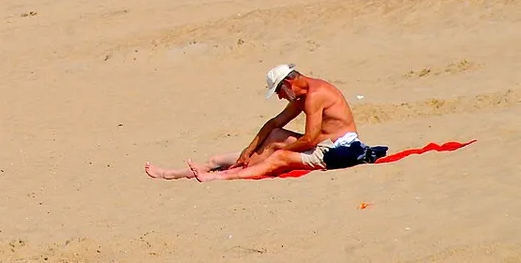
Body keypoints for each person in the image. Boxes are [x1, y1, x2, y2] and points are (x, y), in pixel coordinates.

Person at [145, 64, 375, 182]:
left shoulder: (315, 95)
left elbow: (310, 139)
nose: (279, 96)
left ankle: (219, 175)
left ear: (288, 83)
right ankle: (182, 171)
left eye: (279, 91)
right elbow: (273, 123)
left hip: (335, 149)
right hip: (319, 145)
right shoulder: (302, 94)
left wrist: (280, 152)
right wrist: (249, 149)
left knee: (279, 154)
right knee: (272, 138)